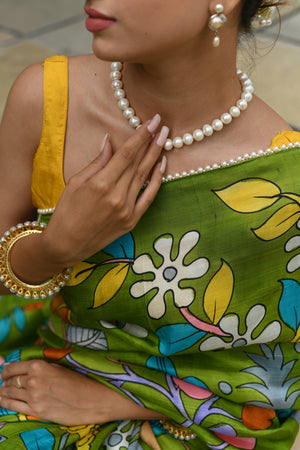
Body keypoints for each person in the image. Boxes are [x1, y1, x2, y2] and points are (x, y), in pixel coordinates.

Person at [0, 0, 299, 448]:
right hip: (46, 373)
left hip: (201, 418)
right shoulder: (48, 98)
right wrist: (54, 248)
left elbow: (275, 382)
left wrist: (126, 397)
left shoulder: (282, 183)